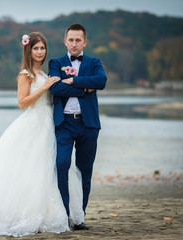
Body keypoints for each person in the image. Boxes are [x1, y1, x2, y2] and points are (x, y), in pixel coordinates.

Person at [0, 32, 83, 237]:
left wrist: (70, 81)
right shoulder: (26, 74)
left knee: (48, 170)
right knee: (31, 169)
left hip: (50, 123)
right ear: (28, 50)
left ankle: (51, 212)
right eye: (36, 48)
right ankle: (23, 214)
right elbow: (22, 103)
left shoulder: (44, 74)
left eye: (42, 48)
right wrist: (45, 88)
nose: (40, 52)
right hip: (34, 123)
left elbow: (55, 89)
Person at [49, 23, 107, 230]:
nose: (74, 43)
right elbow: (55, 87)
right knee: (62, 164)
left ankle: (79, 217)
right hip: (64, 123)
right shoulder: (56, 62)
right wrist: (85, 88)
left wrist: (72, 81)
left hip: (88, 124)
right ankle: (63, 215)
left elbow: (101, 81)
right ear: (65, 41)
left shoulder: (94, 61)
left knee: (85, 171)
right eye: (70, 40)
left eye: (78, 40)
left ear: (85, 42)